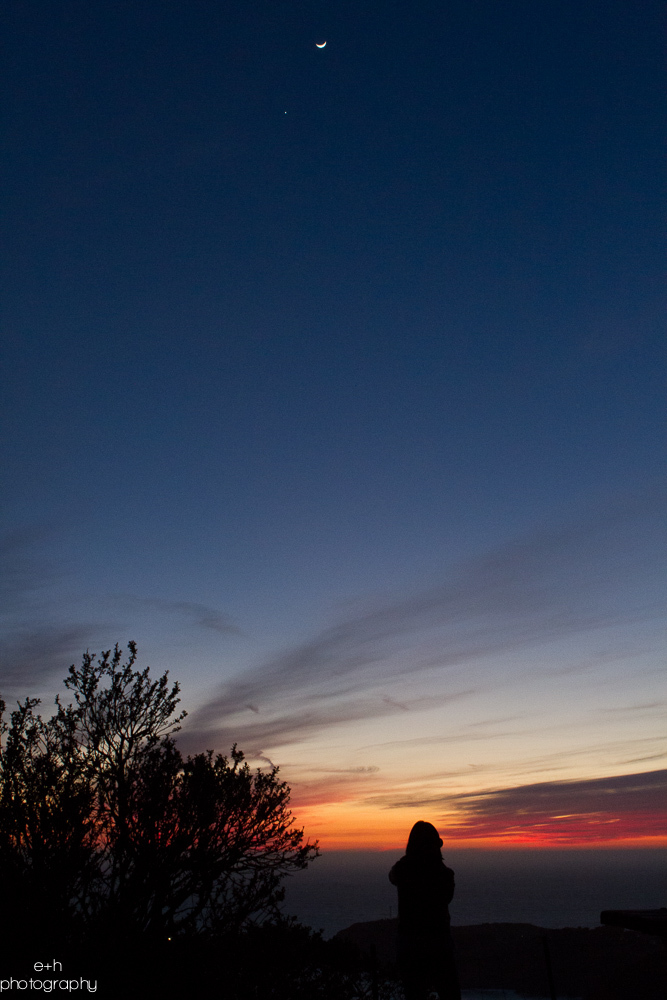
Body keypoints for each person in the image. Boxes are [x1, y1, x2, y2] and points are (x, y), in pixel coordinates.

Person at [389, 821, 461, 1000]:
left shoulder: (403, 869)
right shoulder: (443, 874)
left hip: (410, 944)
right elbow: (447, 896)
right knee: (449, 992)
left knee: (414, 993)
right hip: (439, 943)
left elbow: (393, 876)